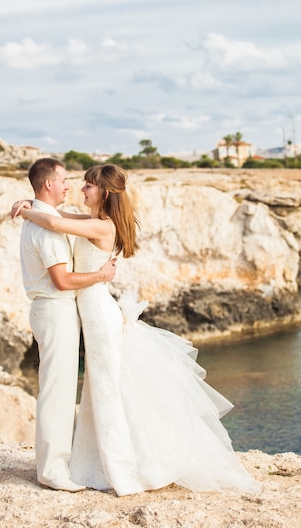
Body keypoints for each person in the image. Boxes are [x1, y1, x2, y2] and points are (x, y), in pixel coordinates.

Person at [14, 163, 259, 496]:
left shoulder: (102, 226)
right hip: (89, 308)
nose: (80, 188)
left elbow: (56, 221)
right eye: (77, 182)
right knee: (102, 385)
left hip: (98, 312)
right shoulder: (94, 221)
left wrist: (28, 211)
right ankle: (94, 461)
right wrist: (31, 208)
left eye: (88, 185)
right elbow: (61, 217)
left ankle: (123, 465)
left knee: (109, 385)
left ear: (104, 192)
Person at [13, 158, 117, 493]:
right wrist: (101, 276)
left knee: (57, 388)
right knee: (57, 392)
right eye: (65, 180)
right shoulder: (47, 227)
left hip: (54, 311)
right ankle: (53, 470)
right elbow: (62, 280)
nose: (70, 185)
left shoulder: (50, 219)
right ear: (48, 185)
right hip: (56, 310)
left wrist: (27, 208)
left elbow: (65, 223)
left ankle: (59, 462)